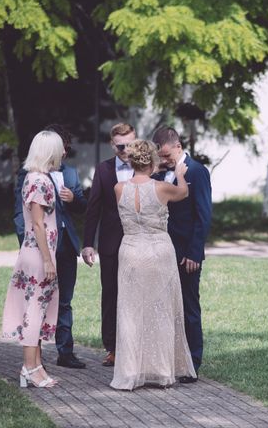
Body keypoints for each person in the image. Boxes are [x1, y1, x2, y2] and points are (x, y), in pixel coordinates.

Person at [110, 140, 196, 390]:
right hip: (158, 253)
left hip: (130, 253)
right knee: (161, 310)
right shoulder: (163, 188)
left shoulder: (118, 188)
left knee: (130, 312)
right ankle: (161, 370)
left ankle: (130, 371)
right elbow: (184, 193)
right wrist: (179, 174)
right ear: (152, 162)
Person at [13, 124, 88, 369]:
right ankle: (34, 362)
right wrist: (33, 249)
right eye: (60, 149)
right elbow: (27, 218)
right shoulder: (32, 178)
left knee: (62, 301)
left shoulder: (70, 173)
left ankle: (64, 352)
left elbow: (82, 207)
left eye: (65, 149)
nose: (64, 154)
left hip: (65, 245)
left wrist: (74, 198)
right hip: (41, 249)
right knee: (37, 304)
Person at [2, 130, 64, 388]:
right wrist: (48, 261)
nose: (63, 153)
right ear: (50, 151)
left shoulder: (36, 177)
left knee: (38, 309)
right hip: (39, 254)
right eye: (60, 148)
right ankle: (29, 368)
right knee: (35, 312)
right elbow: (38, 224)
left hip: (38, 252)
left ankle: (36, 366)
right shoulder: (39, 181)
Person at [152, 126, 212, 383]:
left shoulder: (197, 172)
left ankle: (192, 362)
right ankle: (169, 360)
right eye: (161, 156)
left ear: (178, 146)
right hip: (161, 250)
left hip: (186, 253)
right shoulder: (159, 173)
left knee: (189, 307)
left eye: (167, 155)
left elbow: (203, 215)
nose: (165, 160)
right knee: (164, 307)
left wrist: (194, 253)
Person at [82, 123, 136, 367]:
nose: (126, 150)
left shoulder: (147, 167)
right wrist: (87, 244)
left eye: (130, 144)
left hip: (139, 241)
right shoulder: (103, 170)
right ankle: (112, 347)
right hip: (110, 242)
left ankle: (136, 344)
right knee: (111, 294)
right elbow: (93, 208)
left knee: (137, 294)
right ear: (112, 145)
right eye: (121, 145)